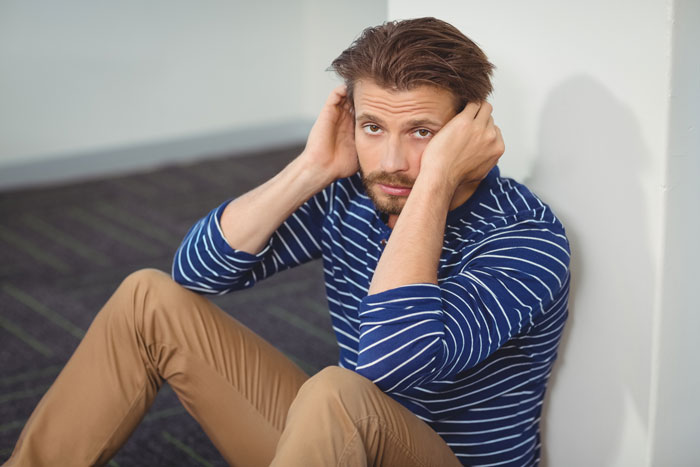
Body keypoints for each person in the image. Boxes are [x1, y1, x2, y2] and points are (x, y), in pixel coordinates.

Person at [5, 17, 570, 467]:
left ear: (469, 130)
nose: (393, 161)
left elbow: (389, 362)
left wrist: (439, 180)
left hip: (422, 452)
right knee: (147, 298)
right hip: (332, 447)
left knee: (340, 392)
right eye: (373, 126)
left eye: (421, 132)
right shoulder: (354, 192)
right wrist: (310, 168)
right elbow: (196, 272)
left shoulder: (525, 238)